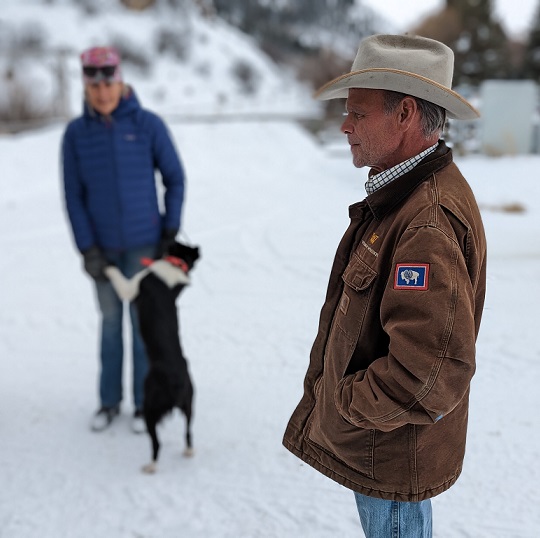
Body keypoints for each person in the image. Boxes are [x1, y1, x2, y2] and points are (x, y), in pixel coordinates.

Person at [282, 34, 487, 537]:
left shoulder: (426, 222)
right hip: (387, 447)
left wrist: (347, 402)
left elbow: (431, 373)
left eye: (357, 112)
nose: (344, 125)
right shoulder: (406, 196)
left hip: (389, 454)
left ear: (406, 114)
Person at [61, 46, 186, 434]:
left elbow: (175, 178)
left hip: (144, 246)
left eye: (109, 82)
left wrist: (169, 230)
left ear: (120, 80)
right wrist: (87, 249)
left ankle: (142, 403)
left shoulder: (147, 124)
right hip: (104, 251)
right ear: (86, 85)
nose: (103, 93)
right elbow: (73, 196)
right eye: (94, 84)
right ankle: (108, 402)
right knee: (111, 324)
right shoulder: (76, 134)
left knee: (141, 325)